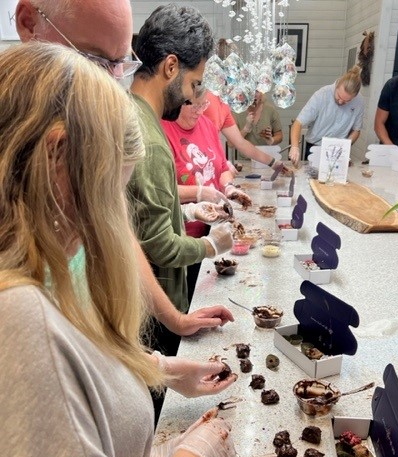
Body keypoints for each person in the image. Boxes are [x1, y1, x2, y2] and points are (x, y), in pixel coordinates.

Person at [0, 41, 237, 457]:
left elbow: (58, 420)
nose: (110, 216)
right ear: (58, 159)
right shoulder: (16, 314)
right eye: (109, 189)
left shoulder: (37, 269)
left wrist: (145, 441)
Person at [15, 0, 235, 346]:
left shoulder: (119, 118)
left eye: (119, 64)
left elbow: (122, 225)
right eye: (93, 60)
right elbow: (150, 241)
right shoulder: (138, 136)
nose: (109, 83)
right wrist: (210, 244)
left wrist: (188, 209)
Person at [128, 5, 235, 363]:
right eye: (194, 82)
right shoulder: (152, 140)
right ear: (170, 67)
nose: (191, 96)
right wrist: (210, 244)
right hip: (151, 313)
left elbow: (136, 215)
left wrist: (185, 207)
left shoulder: (130, 112)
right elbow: (161, 248)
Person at [162, 86, 253, 298]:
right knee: (186, 298)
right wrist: (200, 192)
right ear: (177, 101)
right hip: (182, 237)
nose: (198, 111)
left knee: (207, 295)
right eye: (192, 104)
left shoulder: (207, 126)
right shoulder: (163, 130)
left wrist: (228, 188)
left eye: (203, 105)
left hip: (212, 229)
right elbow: (161, 190)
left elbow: (221, 168)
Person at [202, 38, 286, 172]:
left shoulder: (224, 105)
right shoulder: (206, 99)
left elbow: (240, 143)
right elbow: (202, 146)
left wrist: (273, 162)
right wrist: (223, 166)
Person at [289, 65, 364, 166]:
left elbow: (356, 130)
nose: (341, 102)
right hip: (315, 147)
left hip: (339, 149)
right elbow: (298, 123)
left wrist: (346, 145)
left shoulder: (359, 101)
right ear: (337, 86)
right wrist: (294, 147)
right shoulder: (322, 95)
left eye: (347, 101)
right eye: (339, 97)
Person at [233, 89, 284, 157]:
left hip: (266, 160)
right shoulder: (237, 112)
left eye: (257, 91)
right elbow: (231, 144)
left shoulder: (270, 110)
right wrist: (246, 129)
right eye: (250, 91)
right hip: (245, 160)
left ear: (261, 93)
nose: (254, 94)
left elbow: (279, 136)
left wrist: (271, 140)